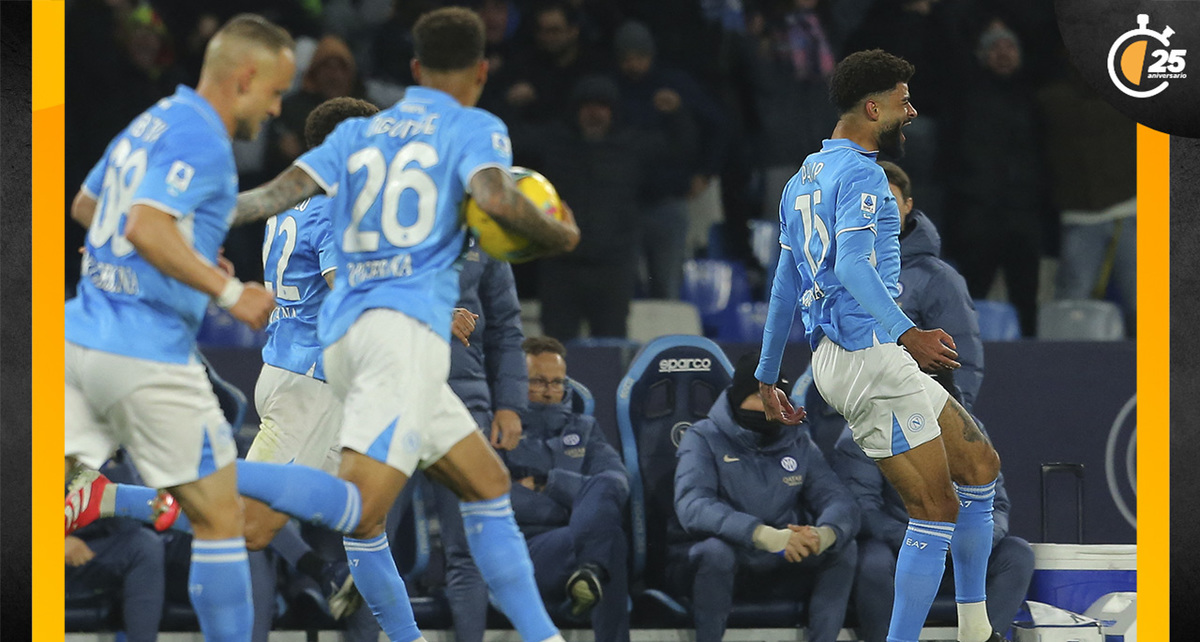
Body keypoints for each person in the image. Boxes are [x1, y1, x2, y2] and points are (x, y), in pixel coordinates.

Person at [230, 7, 581, 642]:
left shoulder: (362, 137)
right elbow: (498, 200)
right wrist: (560, 234)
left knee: (483, 484)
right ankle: (183, 466)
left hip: (350, 348)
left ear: (415, 68)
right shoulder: (473, 126)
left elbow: (271, 195)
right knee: (334, 515)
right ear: (481, 69)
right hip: (376, 347)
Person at [754, 49, 1004, 642]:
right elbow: (856, 267)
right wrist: (907, 332)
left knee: (979, 468)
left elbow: (785, 285)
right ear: (873, 107)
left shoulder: (801, 180)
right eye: (902, 100)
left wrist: (768, 376)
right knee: (936, 510)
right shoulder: (864, 173)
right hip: (870, 355)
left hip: (855, 354)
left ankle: (974, 630)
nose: (910, 112)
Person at [63, 15, 295, 640]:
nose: (276, 108)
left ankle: (97, 498)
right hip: (145, 354)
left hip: (78, 337)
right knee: (224, 520)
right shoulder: (203, 138)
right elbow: (143, 227)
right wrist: (228, 290)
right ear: (245, 77)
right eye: (275, 91)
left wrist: (184, 262)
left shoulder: (154, 117)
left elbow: (89, 208)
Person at [671, 351, 859, 642]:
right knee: (715, 554)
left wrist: (822, 534)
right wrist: (763, 535)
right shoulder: (703, 438)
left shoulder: (797, 439)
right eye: (761, 397)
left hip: (784, 554)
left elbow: (838, 499)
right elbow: (693, 505)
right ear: (737, 397)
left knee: (843, 548)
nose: (770, 407)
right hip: (728, 553)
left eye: (778, 398)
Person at [830, 424, 1034, 642]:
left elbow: (997, 504)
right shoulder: (867, 428)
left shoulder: (966, 426)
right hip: (902, 552)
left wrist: (968, 542)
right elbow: (865, 509)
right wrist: (929, 540)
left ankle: (980, 637)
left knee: (1017, 554)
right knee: (872, 561)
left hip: (960, 554)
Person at [502, 336, 631, 641]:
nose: (549, 391)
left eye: (557, 382)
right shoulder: (499, 427)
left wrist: (548, 484)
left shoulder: (584, 428)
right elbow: (502, 499)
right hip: (524, 549)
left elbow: (617, 483)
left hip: (575, 541)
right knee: (609, 536)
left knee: (606, 491)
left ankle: (590, 571)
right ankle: (592, 570)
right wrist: (583, 504)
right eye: (539, 382)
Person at [881, 160, 983, 410]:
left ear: (908, 205)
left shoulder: (937, 278)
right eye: (871, 201)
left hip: (906, 418)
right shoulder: (838, 271)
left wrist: (954, 420)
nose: (880, 211)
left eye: (889, 201)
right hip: (839, 419)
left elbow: (962, 361)